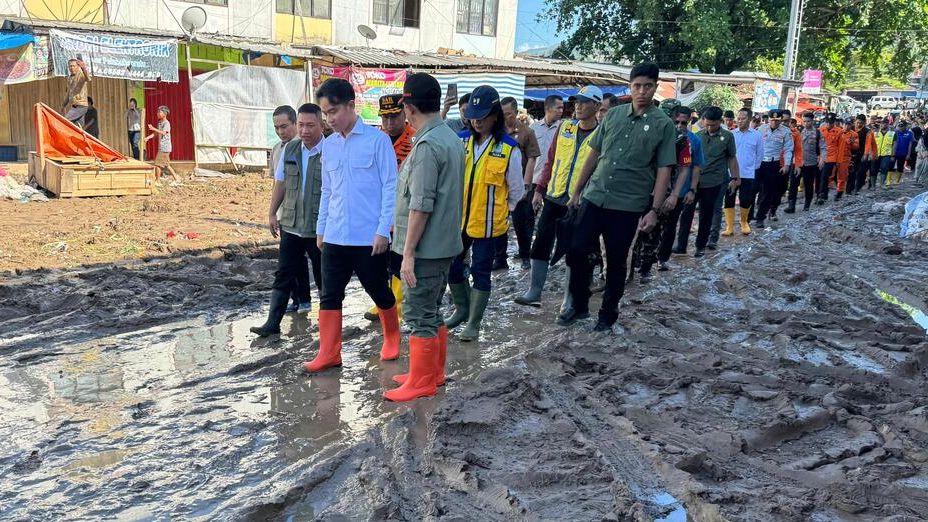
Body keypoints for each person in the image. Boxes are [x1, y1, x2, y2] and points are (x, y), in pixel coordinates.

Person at [559, 63, 676, 331]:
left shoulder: (664, 125)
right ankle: (579, 304)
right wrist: (577, 191)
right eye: (637, 86)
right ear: (630, 87)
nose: (642, 91)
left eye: (648, 86)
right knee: (576, 250)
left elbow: (663, 169)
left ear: (655, 87)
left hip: (627, 204)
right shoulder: (613, 115)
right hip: (595, 195)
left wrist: (654, 210)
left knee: (616, 260)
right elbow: (594, 153)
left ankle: (607, 314)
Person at [303, 78, 400, 373]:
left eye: (333, 112)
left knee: (378, 290)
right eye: (325, 114)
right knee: (329, 294)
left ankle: (392, 336)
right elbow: (328, 191)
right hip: (334, 235)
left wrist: (384, 229)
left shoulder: (377, 141)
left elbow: (390, 187)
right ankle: (329, 352)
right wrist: (321, 229)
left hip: (368, 237)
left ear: (350, 105)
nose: (329, 119)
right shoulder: (329, 146)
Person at [383, 73, 465, 402]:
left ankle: (422, 381)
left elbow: (420, 205)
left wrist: (408, 253)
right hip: (444, 243)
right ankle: (432, 372)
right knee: (432, 308)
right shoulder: (447, 136)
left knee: (418, 312)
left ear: (410, 107)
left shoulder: (429, 145)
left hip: (427, 247)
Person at [445, 86, 524, 342]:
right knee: (453, 267)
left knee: (481, 271)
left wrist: (501, 211)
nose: (477, 122)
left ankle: (474, 322)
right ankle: (461, 309)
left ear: (495, 116)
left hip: (489, 224)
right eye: (473, 116)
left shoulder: (509, 148)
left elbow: (516, 191)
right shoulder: (460, 141)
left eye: (482, 116)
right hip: (458, 221)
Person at [516, 85, 602, 306]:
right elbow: (551, 161)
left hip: (582, 202)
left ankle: (569, 299)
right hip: (554, 197)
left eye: (585, 102)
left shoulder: (602, 134)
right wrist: (539, 190)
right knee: (541, 244)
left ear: (597, 106)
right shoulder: (565, 128)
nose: (578, 106)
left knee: (576, 251)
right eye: (577, 102)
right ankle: (534, 292)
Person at [251, 103, 325, 337]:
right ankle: (272, 323)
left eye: (309, 125)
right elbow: (280, 184)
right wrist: (272, 213)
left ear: (321, 125)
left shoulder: (332, 150)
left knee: (325, 276)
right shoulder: (289, 150)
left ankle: (328, 328)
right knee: (284, 273)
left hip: (319, 227)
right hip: (291, 225)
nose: (304, 131)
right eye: (301, 125)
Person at [631, 101, 698, 281]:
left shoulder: (681, 140)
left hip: (662, 191)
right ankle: (629, 268)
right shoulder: (644, 129)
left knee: (653, 231)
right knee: (630, 231)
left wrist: (675, 194)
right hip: (637, 188)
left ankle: (645, 269)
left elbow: (685, 168)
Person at [363, 94, 414, 322]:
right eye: (385, 118)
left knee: (399, 260)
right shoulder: (375, 140)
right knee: (378, 261)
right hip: (378, 211)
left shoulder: (414, 141)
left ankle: (399, 304)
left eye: (394, 117)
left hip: (404, 210)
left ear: (404, 114)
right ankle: (382, 302)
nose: (390, 123)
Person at [677, 106, 739, 256]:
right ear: (703, 120)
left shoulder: (728, 137)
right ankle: (681, 246)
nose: (710, 127)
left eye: (714, 124)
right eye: (707, 123)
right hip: (694, 182)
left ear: (720, 121)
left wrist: (735, 178)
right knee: (686, 214)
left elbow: (731, 158)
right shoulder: (696, 136)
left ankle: (700, 246)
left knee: (706, 215)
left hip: (713, 182)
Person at [268, 105, 311, 315]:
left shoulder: (303, 147)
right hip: (285, 214)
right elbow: (277, 183)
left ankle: (305, 299)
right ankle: (296, 300)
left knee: (300, 259)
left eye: (284, 126)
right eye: (276, 128)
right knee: (288, 261)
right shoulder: (278, 149)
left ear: (295, 123)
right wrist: (273, 212)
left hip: (304, 214)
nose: (280, 131)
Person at [497, 96, 541, 270]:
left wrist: (526, 185)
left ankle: (525, 254)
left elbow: (532, 159)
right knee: (498, 221)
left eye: (508, 114)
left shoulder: (526, 132)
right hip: (500, 183)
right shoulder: (497, 131)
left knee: (520, 223)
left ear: (515, 113)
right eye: (502, 114)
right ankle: (500, 258)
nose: (505, 117)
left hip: (519, 183)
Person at [659, 105, 702, 268]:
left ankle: (662, 259)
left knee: (670, 226)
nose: (679, 126)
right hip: (655, 190)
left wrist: (692, 189)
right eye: (676, 121)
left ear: (689, 122)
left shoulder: (694, 141)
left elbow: (696, 166)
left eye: (683, 123)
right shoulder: (662, 136)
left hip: (679, 191)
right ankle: (642, 263)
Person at [724, 107, 763, 235]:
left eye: (743, 118)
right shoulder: (731, 134)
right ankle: (729, 226)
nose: (740, 121)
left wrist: (752, 168)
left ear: (750, 119)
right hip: (731, 173)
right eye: (738, 118)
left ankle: (744, 222)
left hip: (748, 173)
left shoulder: (757, 135)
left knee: (745, 199)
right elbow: (728, 155)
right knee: (729, 198)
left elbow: (759, 155)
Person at [755, 109, 793, 226]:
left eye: (777, 121)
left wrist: (786, 164)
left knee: (767, 192)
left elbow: (788, 149)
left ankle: (760, 217)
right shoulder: (761, 129)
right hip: (759, 163)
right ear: (768, 119)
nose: (774, 123)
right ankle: (748, 214)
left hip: (773, 164)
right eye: (772, 120)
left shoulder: (786, 131)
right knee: (752, 190)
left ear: (781, 120)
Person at [529, 95, 564, 187]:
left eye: (562, 108)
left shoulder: (563, 130)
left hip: (552, 183)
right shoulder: (533, 128)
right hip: (533, 180)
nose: (561, 111)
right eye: (558, 108)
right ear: (548, 108)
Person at [797, 111, 826, 211]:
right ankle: (791, 204)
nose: (806, 123)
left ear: (812, 121)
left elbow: (823, 147)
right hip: (798, 162)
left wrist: (822, 159)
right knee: (793, 184)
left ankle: (807, 203)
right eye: (804, 121)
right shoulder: (798, 131)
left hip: (811, 162)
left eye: (808, 121)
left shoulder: (818, 133)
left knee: (808, 184)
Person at [142, 106, 179, 182]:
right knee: (166, 165)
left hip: (165, 147)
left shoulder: (166, 123)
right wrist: (148, 137)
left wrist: (153, 128)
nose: (157, 113)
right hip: (162, 146)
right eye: (157, 112)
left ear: (164, 114)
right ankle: (177, 178)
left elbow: (163, 132)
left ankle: (158, 181)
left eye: (160, 112)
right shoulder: (160, 123)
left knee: (157, 164)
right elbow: (156, 133)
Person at [816, 113, 842, 204]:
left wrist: (838, 161)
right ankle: (823, 194)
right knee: (819, 177)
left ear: (834, 122)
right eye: (827, 122)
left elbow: (840, 147)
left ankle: (821, 195)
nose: (828, 124)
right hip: (820, 157)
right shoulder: (820, 130)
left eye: (830, 122)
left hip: (831, 158)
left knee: (824, 176)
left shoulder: (839, 131)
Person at [834, 118, 860, 200]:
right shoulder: (838, 132)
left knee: (842, 176)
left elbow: (856, 146)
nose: (847, 126)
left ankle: (839, 192)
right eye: (845, 124)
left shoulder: (854, 134)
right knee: (831, 175)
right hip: (835, 156)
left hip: (845, 158)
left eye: (849, 124)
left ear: (851, 125)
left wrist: (852, 142)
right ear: (843, 124)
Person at [62, 58, 91, 128]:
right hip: (74, 106)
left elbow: (88, 78)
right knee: (78, 127)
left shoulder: (81, 75)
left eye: (73, 66)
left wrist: (84, 68)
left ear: (78, 66)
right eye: (70, 66)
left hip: (81, 105)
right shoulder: (69, 78)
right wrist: (63, 105)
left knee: (65, 120)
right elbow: (68, 93)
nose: (71, 68)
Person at [848, 114, 871, 195]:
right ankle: (849, 189)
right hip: (850, 153)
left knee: (860, 172)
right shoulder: (850, 129)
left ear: (864, 123)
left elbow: (868, 144)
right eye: (857, 122)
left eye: (861, 123)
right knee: (851, 172)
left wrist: (866, 154)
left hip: (862, 153)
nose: (858, 124)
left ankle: (857, 188)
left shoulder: (867, 131)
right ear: (855, 121)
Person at [889, 121, 913, 186]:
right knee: (890, 166)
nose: (900, 128)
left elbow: (910, 145)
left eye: (902, 126)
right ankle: (889, 181)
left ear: (905, 126)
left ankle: (897, 180)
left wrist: (908, 154)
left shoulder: (909, 133)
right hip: (894, 152)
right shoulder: (895, 132)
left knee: (900, 167)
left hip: (903, 153)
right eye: (899, 126)